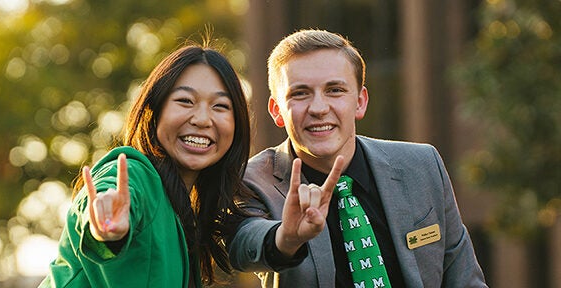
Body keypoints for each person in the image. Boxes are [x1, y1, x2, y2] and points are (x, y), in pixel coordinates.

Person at [227, 29, 488, 287]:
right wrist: (285, 239)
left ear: (360, 102)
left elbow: (464, 278)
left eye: (335, 90)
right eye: (300, 93)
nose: (319, 108)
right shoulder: (251, 181)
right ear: (277, 110)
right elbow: (241, 245)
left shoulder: (422, 165)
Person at [39, 44, 251, 288]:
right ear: (155, 111)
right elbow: (111, 196)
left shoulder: (180, 210)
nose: (202, 119)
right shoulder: (135, 173)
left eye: (220, 106)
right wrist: (106, 232)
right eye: (185, 101)